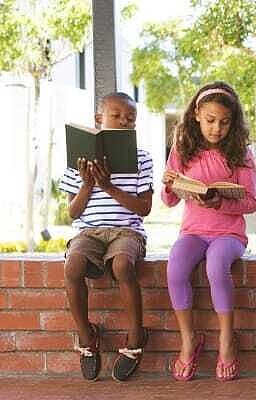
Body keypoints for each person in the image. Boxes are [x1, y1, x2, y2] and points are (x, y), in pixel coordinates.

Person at [161, 82, 256, 382]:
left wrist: (219, 202)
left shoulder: (241, 153)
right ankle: (189, 339)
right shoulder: (182, 149)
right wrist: (169, 184)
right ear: (196, 117)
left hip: (228, 235)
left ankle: (227, 339)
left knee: (217, 267)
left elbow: (251, 202)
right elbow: (168, 200)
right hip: (193, 232)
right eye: (210, 120)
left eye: (225, 122)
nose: (217, 129)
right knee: (175, 268)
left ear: (234, 122)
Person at [59, 92, 152, 382]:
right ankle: (87, 337)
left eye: (131, 118)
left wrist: (108, 186)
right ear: (99, 119)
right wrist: (88, 184)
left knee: (122, 265)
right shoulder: (79, 159)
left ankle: (136, 336)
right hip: (89, 231)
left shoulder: (141, 158)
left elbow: (144, 208)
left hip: (127, 230)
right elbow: (73, 213)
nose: (124, 122)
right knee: (72, 266)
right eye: (117, 116)